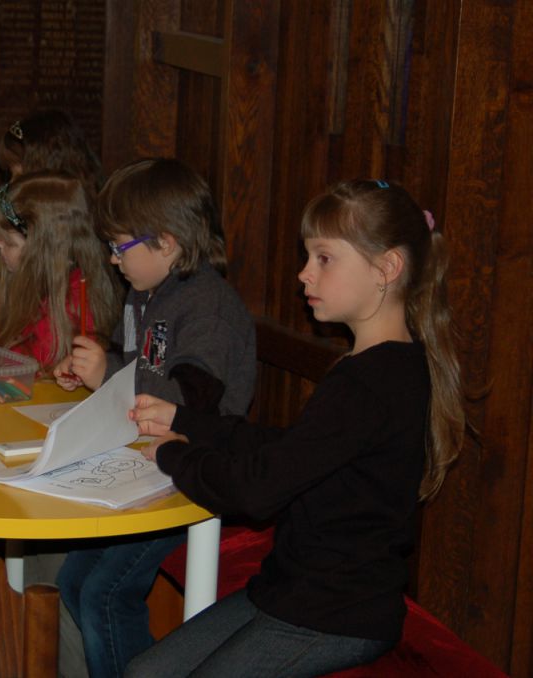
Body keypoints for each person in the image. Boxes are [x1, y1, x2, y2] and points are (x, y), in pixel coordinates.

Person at [125, 179, 466, 677]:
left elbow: (257, 490)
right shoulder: (380, 366)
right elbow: (290, 448)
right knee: (145, 672)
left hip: (336, 613)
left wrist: (173, 453)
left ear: (387, 268)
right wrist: (185, 420)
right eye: (308, 257)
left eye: (324, 258)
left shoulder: (372, 382)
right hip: (291, 589)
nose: (304, 273)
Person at [51, 158, 257, 678]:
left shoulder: (207, 308)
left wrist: (109, 377)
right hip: (147, 463)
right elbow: (140, 370)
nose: (112, 258)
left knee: (104, 594)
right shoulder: (145, 292)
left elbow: (192, 402)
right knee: (74, 580)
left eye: (120, 246)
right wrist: (98, 369)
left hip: (193, 476)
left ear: (166, 243)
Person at [0, 170, 123, 374]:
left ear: (44, 252)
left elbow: (33, 366)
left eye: (9, 243)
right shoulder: (16, 281)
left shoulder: (76, 304)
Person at [0, 109, 102, 293]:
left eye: (18, 174)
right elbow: (20, 259)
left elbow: (49, 282)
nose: (12, 183)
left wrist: (2, 293)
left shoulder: (84, 223)